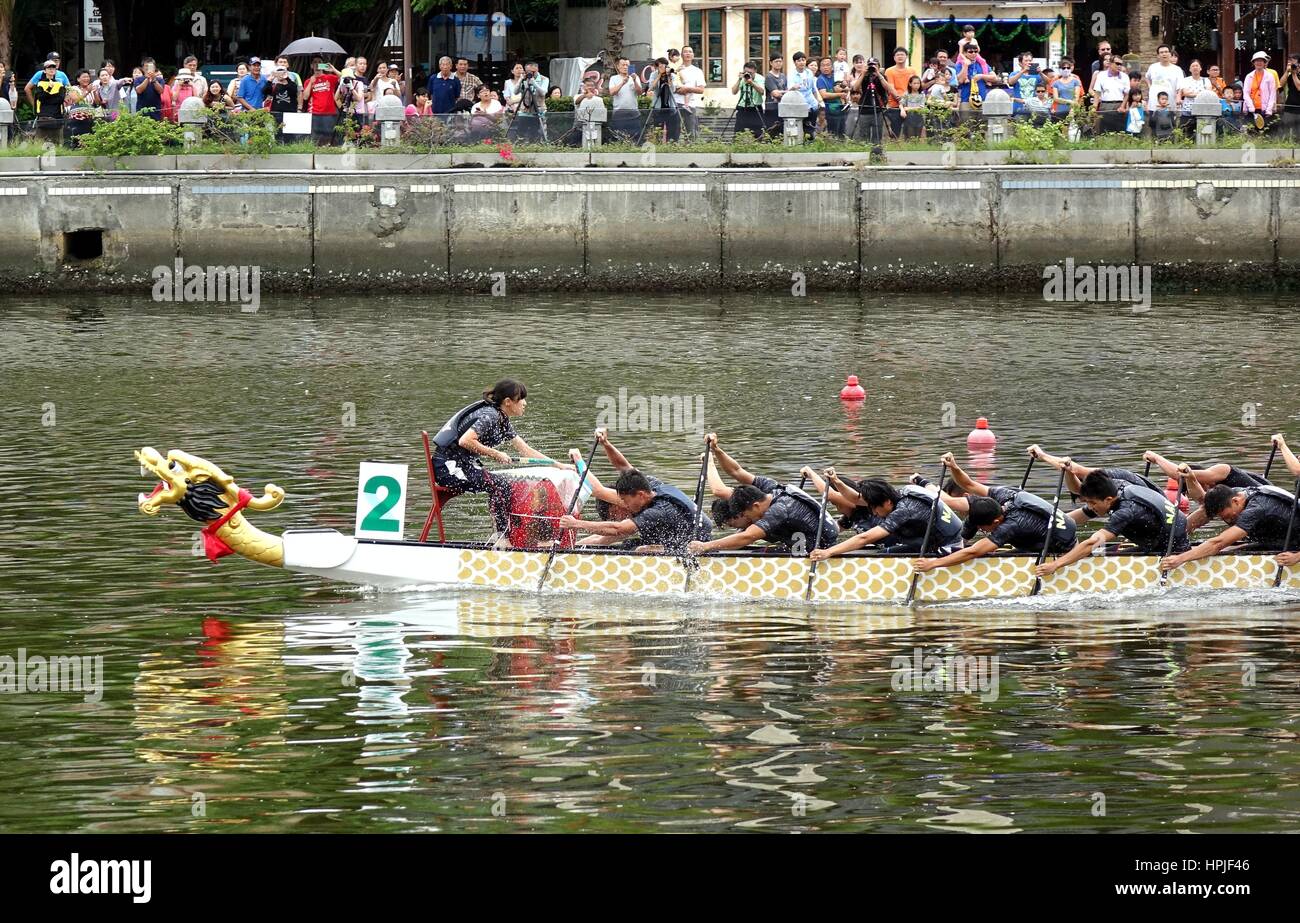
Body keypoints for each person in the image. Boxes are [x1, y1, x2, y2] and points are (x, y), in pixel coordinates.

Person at [430, 380, 563, 537]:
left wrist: (558, 465)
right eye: (521, 399)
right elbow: (465, 441)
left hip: (463, 466)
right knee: (501, 485)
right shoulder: (490, 416)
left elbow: (526, 450)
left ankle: (506, 534)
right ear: (508, 402)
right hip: (448, 468)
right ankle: (502, 537)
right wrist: (496, 454)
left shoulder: (502, 420)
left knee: (507, 484)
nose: (525, 403)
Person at [912, 453, 1076, 573]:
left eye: (984, 530)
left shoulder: (1012, 524)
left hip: (1059, 548)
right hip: (1039, 533)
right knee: (977, 548)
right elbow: (968, 484)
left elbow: (973, 551)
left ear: (996, 522)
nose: (983, 532)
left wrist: (933, 564)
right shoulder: (1002, 495)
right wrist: (954, 466)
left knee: (982, 552)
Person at [560, 432, 709, 554]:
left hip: (694, 546)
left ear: (640, 495)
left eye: (625, 500)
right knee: (629, 545)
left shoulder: (656, 512)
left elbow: (617, 529)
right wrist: (606, 444)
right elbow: (623, 466)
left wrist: (576, 524)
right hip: (680, 539)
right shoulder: (651, 485)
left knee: (641, 550)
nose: (624, 504)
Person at [1034, 471, 1189, 578]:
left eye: (1092, 503)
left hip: (1171, 552)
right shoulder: (1117, 487)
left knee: (1094, 552)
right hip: (1158, 541)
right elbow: (1083, 513)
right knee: (1103, 552)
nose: (1090, 506)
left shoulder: (1125, 511)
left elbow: (1092, 543)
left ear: (1108, 500)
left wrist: (1056, 565)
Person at [808, 477, 962, 561]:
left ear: (887, 502)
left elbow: (865, 538)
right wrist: (836, 480)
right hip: (926, 545)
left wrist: (828, 552)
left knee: (878, 556)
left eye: (874, 508)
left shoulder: (904, 510)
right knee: (878, 553)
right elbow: (855, 498)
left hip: (948, 549)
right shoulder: (892, 497)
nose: (873, 512)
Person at [1161, 482, 1299, 572]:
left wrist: (1180, 559)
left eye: (1226, 515)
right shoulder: (1238, 493)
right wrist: (1179, 533)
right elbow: (1204, 510)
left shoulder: (1256, 508)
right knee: (1231, 549)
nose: (1226, 519)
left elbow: (1217, 543)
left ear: (1236, 501)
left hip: (1296, 549)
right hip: (1279, 541)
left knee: (1223, 547)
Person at [688, 475, 838, 556]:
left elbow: (747, 537)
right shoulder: (770, 490)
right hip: (808, 545)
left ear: (755, 506)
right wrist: (715, 451)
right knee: (746, 549)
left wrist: (706, 546)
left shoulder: (779, 509)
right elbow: (736, 471)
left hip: (818, 552)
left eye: (745, 514)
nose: (748, 518)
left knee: (755, 552)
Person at [1026, 445, 1158, 524]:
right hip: (1127, 509)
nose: (1088, 504)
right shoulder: (1101, 496)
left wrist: (1043, 456)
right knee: (1060, 521)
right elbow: (1075, 483)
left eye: (1089, 501)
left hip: (1153, 513)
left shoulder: (1111, 480)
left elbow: (1073, 469)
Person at [303, 62, 341, 146]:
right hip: (315, 112)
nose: (317, 64)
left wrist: (333, 69)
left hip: (330, 112)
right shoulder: (308, 81)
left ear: (322, 65)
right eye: (315, 62)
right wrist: (311, 83)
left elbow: (344, 78)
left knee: (331, 137)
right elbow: (305, 97)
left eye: (319, 62)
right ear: (311, 65)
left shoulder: (330, 77)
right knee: (315, 139)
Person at [883, 47, 916, 137]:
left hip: (910, 105)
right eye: (897, 55)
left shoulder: (912, 70)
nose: (900, 56)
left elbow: (915, 86)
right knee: (895, 131)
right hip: (895, 104)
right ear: (894, 57)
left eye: (902, 54)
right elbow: (891, 87)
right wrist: (901, 99)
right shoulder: (889, 71)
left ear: (906, 57)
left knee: (911, 131)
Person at [608, 56, 643, 142]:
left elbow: (639, 92)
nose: (625, 67)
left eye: (627, 65)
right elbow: (612, 92)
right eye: (623, 65)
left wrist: (634, 80)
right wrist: (622, 83)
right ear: (618, 66)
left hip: (633, 112)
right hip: (619, 113)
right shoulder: (614, 78)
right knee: (619, 137)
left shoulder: (635, 77)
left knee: (634, 137)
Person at [647, 57, 681, 143]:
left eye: (664, 65)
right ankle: (658, 148)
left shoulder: (671, 75)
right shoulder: (653, 74)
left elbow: (673, 89)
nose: (662, 67)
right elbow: (651, 88)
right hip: (658, 107)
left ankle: (671, 147)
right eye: (660, 65)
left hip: (670, 107)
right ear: (657, 66)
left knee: (673, 132)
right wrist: (659, 75)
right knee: (658, 131)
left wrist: (668, 76)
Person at [788, 52, 821, 139]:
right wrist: (793, 87)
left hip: (812, 104)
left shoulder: (809, 72)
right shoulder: (792, 74)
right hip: (799, 105)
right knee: (798, 128)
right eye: (799, 61)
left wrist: (817, 101)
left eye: (803, 60)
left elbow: (813, 88)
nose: (802, 62)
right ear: (795, 62)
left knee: (810, 129)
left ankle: (810, 146)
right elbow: (789, 89)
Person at [1092, 54, 1129, 133]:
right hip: (1105, 105)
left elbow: (1127, 94)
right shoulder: (1101, 75)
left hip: (1119, 105)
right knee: (1104, 130)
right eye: (1117, 64)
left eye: (1121, 64)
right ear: (1111, 63)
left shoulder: (1125, 76)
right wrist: (1094, 107)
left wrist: (1122, 106)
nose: (1119, 66)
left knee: (1120, 131)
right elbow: (1097, 92)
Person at [676, 45, 706, 139]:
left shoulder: (697, 71)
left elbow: (701, 89)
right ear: (681, 55)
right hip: (675, 103)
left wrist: (687, 89)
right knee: (675, 132)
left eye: (690, 52)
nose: (688, 53)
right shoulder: (675, 69)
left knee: (690, 133)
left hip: (690, 105)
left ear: (693, 55)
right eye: (685, 52)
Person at [1144, 44, 1183, 116]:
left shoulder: (1177, 69)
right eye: (1161, 52)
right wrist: (1150, 87)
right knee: (1154, 126)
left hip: (1170, 105)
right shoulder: (1153, 67)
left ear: (1170, 54)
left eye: (1166, 52)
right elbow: (1147, 77)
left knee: (1169, 126)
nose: (1164, 54)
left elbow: (1180, 87)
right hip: (1154, 104)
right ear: (1158, 55)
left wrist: (1178, 97)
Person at [1243, 51, 1278, 128]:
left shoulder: (1270, 76)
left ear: (1265, 62)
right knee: (1250, 130)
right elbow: (1246, 93)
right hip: (1251, 109)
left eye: (1261, 61)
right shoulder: (1249, 76)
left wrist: (1269, 109)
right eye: (1257, 60)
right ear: (1253, 62)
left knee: (1264, 131)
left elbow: (1272, 94)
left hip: (1264, 109)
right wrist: (1250, 107)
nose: (1259, 63)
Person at [732, 60, 766, 139]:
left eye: (750, 73)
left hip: (755, 109)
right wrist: (739, 80)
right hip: (743, 108)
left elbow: (761, 92)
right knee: (737, 134)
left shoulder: (760, 78)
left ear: (755, 71)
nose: (748, 75)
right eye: (746, 72)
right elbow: (734, 92)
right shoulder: (743, 78)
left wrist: (752, 82)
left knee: (758, 134)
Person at [816, 57, 846, 137]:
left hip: (842, 109)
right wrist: (840, 94)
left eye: (828, 65)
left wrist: (844, 86)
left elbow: (845, 87)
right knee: (833, 135)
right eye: (823, 65)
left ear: (832, 67)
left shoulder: (836, 76)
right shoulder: (821, 79)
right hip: (830, 112)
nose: (825, 67)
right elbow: (824, 95)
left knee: (842, 135)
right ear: (820, 68)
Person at [763, 53, 787, 138]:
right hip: (771, 108)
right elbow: (776, 94)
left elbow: (784, 91)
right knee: (772, 133)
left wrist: (785, 92)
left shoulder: (783, 76)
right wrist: (788, 92)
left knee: (782, 133)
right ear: (771, 63)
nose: (779, 63)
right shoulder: (768, 77)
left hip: (783, 108)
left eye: (780, 61)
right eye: (776, 61)